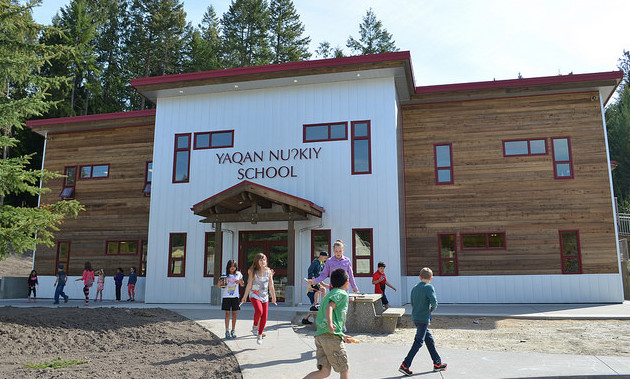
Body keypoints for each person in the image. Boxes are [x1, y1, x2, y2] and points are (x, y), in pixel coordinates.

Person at [303, 268, 353, 379]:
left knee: (324, 372)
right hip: (331, 337)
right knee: (344, 368)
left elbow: (328, 312)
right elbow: (330, 307)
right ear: (346, 283)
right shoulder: (342, 294)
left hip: (320, 336)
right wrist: (330, 324)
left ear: (331, 283)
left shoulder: (327, 295)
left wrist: (342, 335)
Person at [398, 267, 447, 376]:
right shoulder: (429, 287)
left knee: (429, 340)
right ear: (431, 278)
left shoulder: (415, 288)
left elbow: (412, 301)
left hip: (416, 317)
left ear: (420, 277)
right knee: (418, 342)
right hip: (424, 318)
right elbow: (434, 301)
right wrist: (432, 308)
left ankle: (437, 363)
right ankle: (405, 365)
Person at [241, 253, 277, 345]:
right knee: (259, 311)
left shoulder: (268, 272)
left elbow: (271, 285)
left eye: (264, 260)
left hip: (265, 296)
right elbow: (249, 284)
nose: (263, 261)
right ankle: (255, 326)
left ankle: (259, 335)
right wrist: (244, 297)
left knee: (265, 316)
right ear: (257, 261)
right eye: (261, 260)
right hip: (255, 294)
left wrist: (273, 297)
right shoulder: (253, 271)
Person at [302, 251, 329, 325]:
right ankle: (317, 304)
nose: (325, 259)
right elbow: (310, 270)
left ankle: (321, 303)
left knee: (323, 289)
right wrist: (313, 279)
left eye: (326, 258)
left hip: (317, 282)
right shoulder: (315, 262)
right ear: (320, 256)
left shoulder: (322, 264)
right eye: (324, 257)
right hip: (312, 283)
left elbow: (321, 276)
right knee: (317, 291)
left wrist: (325, 284)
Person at [220, 259, 244, 340]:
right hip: (226, 296)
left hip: (235, 297)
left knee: (234, 314)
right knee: (227, 314)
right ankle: (227, 331)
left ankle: (233, 330)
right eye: (231, 266)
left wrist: (240, 282)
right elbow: (219, 285)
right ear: (228, 267)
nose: (232, 268)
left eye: (234, 266)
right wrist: (222, 283)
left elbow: (242, 284)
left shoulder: (238, 274)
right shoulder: (224, 274)